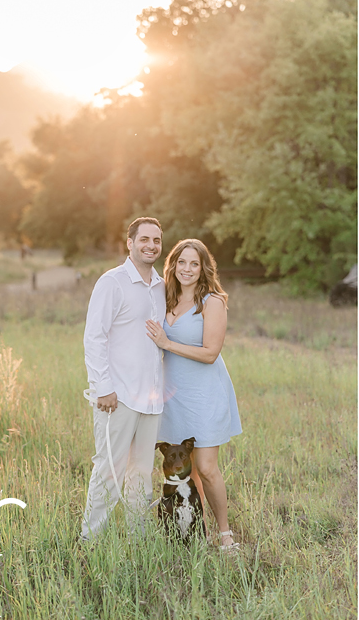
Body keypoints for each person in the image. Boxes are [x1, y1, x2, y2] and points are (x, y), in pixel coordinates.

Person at [146, 238, 243, 551]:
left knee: (207, 467)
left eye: (194, 263)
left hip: (204, 393)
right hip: (173, 395)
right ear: (173, 265)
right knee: (186, 469)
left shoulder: (212, 302)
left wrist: (167, 343)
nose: (186, 269)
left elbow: (210, 353)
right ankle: (198, 531)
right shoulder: (164, 297)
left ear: (203, 268)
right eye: (181, 262)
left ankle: (225, 535)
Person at [81, 217, 165, 540]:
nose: (151, 246)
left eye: (156, 240)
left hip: (151, 398)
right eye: (144, 239)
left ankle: (138, 539)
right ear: (129, 243)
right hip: (117, 397)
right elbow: (94, 337)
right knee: (109, 470)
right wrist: (103, 388)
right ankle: (91, 540)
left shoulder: (161, 286)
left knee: (141, 473)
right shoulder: (112, 282)